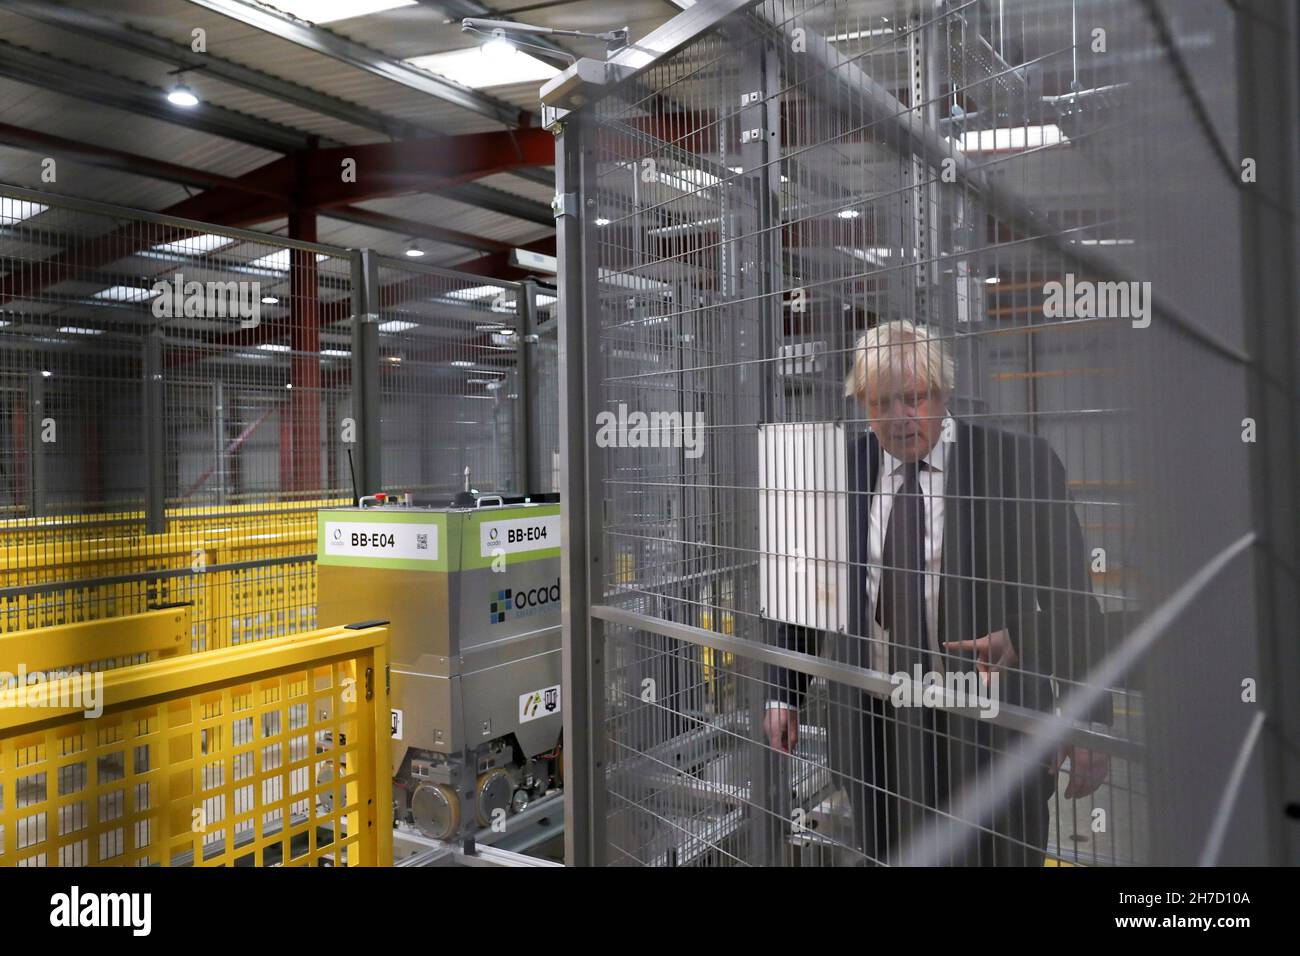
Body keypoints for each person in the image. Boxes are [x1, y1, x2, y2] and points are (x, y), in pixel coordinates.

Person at [763, 320, 1112, 866]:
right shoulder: (837, 469)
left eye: (915, 398)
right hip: (874, 719)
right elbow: (811, 588)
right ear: (861, 404)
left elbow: (1069, 592)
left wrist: (1089, 716)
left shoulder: (1016, 463)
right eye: (881, 403)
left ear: (944, 392)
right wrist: (784, 690)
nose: (900, 419)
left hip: (989, 724)